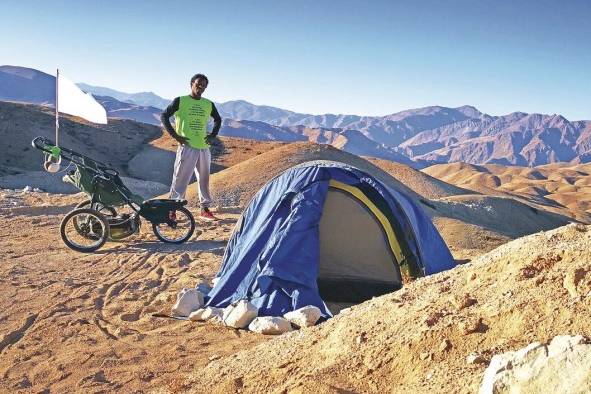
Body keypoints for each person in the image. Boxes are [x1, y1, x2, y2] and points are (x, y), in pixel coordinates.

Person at [161, 73, 222, 221]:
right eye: (198, 84)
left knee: (204, 179)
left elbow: (218, 119)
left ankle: (205, 209)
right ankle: (172, 210)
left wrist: (212, 135)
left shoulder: (208, 104)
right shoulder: (180, 101)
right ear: (191, 84)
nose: (201, 87)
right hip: (187, 146)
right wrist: (175, 136)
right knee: (181, 178)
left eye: (204, 86)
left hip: (203, 147)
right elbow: (164, 116)